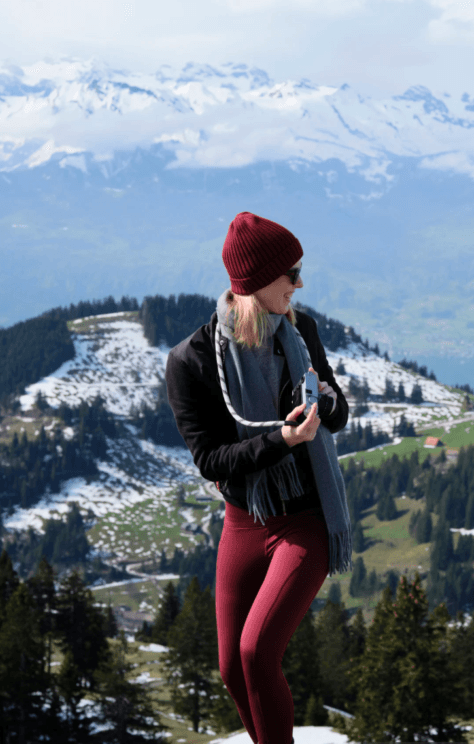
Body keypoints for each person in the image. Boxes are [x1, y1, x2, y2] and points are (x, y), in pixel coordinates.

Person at [165, 212, 352, 744]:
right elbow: (211, 460)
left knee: (256, 652)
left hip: (307, 518)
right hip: (244, 520)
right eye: (291, 273)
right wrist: (283, 440)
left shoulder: (300, 331)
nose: (299, 283)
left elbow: (338, 414)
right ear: (256, 281)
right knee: (231, 668)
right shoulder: (191, 361)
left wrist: (323, 403)